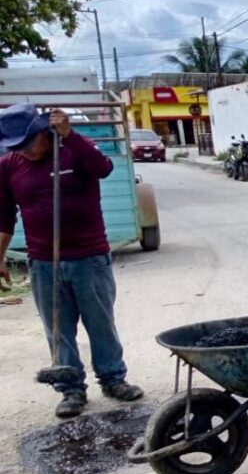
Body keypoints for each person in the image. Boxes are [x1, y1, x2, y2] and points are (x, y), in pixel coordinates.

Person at [0, 105, 144, 418]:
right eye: (15, 146)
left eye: (28, 143)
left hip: (89, 257)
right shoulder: (9, 166)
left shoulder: (73, 149)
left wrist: (70, 134)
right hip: (43, 262)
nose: (23, 151)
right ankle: (71, 390)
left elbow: (103, 168)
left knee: (100, 323)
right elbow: (4, 217)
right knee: (58, 329)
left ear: (44, 131)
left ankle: (113, 380)